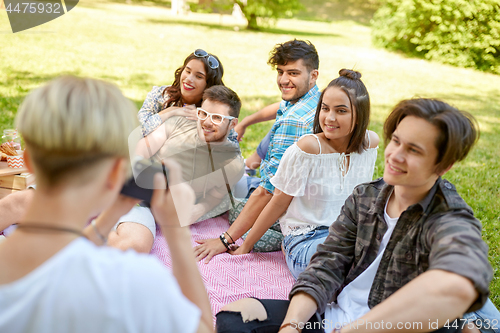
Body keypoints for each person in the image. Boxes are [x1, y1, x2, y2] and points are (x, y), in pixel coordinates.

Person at [216, 98, 493, 333]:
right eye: (396, 141)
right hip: (333, 318)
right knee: (234, 320)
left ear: (443, 165)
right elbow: (326, 265)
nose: (395, 155)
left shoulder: (449, 218)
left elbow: (461, 283)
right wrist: (292, 326)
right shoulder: (366, 197)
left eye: (413, 150)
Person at [0, 76, 213, 333]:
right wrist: (176, 233)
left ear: (28, 161)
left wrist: (110, 216)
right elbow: (202, 327)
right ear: (116, 174)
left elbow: (58, 259)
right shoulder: (134, 281)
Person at [230, 69, 379, 279]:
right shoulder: (308, 148)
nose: (330, 118)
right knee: (341, 260)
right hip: (307, 240)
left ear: (359, 114)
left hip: (346, 234)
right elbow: (278, 202)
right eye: (325, 109)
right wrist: (246, 246)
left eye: (341, 111)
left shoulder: (370, 144)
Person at [194, 39, 321, 262]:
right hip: (316, 203)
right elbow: (281, 107)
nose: (283, 80)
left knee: (233, 209)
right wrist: (247, 122)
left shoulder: (293, 123)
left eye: (292, 73)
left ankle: (285, 240)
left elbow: (268, 192)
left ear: (313, 75)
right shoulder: (318, 100)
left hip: (297, 215)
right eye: (280, 72)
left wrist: (226, 240)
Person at [107, 85, 244, 253]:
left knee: (135, 245)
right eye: (203, 114)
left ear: (233, 123)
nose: (207, 122)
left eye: (217, 118)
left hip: (148, 206)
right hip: (131, 184)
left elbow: (214, 197)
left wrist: (194, 212)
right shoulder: (180, 123)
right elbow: (139, 153)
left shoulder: (232, 164)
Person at [140, 48, 225, 136]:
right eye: (188, 71)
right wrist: (171, 111)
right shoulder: (159, 95)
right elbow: (137, 131)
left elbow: (230, 143)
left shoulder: (217, 110)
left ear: (209, 84)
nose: (189, 79)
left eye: (199, 77)